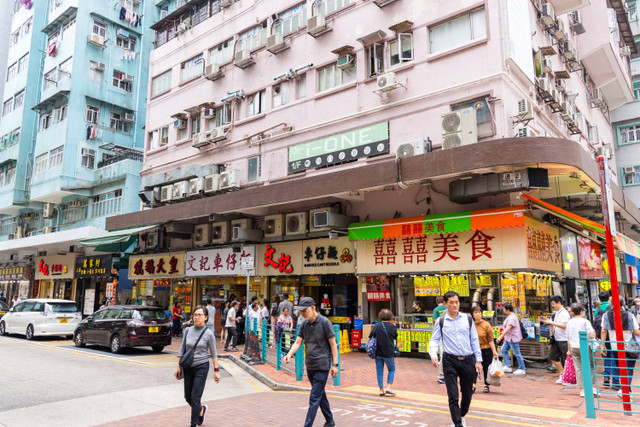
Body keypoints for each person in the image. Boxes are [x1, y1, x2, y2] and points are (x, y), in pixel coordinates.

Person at [428, 291, 483, 427]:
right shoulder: (441, 321)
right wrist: (433, 354)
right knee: (453, 395)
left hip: (468, 359)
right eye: (451, 302)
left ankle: (461, 415)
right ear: (445, 304)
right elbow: (434, 340)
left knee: (467, 393)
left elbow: (474, 340)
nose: (454, 305)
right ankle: (458, 424)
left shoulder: (467, 319)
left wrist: (478, 360)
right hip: (449, 360)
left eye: (456, 302)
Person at [284, 297, 338, 427]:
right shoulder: (304, 324)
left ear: (312, 307)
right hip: (310, 366)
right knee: (320, 394)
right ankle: (330, 421)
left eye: (304, 310)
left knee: (314, 398)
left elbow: (333, 344)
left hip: (322, 366)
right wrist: (289, 354)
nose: (302, 313)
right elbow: (298, 342)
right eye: (300, 311)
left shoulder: (325, 323)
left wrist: (335, 365)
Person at [174, 305, 221, 427]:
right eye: (195, 315)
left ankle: (193, 424)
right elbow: (182, 349)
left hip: (202, 366)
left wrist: (216, 371)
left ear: (205, 317)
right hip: (188, 366)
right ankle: (200, 410)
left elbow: (214, 354)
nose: (197, 317)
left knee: (195, 397)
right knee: (187, 397)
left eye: (200, 315)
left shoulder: (209, 333)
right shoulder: (187, 331)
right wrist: (178, 366)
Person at [600, 295, 640, 399]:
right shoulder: (629, 315)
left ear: (611, 303)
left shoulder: (606, 315)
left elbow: (603, 330)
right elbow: (636, 331)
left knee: (621, 368)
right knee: (629, 369)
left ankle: (626, 390)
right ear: (623, 304)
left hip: (614, 346)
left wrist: (603, 345)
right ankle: (625, 391)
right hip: (629, 346)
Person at [565, 303, 597, 398]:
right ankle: (590, 387)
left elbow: (568, 337)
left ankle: (582, 389)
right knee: (590, 366)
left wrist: (569, 350)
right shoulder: (585, 321)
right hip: (585, 346)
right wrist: (594, 334)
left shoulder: (569, 322)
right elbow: (591, 335)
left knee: (578, 368)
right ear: (582, 311)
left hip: (574, 347)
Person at [369, 309, 398, 396]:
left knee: (379, 370)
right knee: (392, 369)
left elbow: (371, 336)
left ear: (380, 316)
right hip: (389, 352)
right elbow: (395, 337)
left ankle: (381, 390)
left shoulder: (377, 326)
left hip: (378, 352)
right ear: (390, 316)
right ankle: (388, 387)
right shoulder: (392, 326)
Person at [542, 295, 570, 384]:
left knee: (566, 358)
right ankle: (563, 374)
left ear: (558, 303)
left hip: (564, 339)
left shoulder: (564, 313)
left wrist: (551, 322)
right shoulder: (557, 312)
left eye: (553, 304)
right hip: (557, 339)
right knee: (552, 357)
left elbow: (564, 325)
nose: (553, 306)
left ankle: (567, 376)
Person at [472, 306, 498, 393]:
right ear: (473, 314)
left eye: (479, 312)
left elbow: (491, 340)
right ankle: (473, 384)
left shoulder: (486, 325)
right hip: (475, 350)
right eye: (475, 312)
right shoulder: (471, 325)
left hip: (486, 349)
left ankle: (486, 385)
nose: (478, 314)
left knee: (486, 367)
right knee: (473, 368)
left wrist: (494, 352)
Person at [496, 303, 526, 375]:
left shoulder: (512, 317)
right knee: (503, 350)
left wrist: (500, 337)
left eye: (504, 309)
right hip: (508, 338)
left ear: (508, 309)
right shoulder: (510, 316)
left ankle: (522, 368)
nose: (503, 310)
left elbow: (508, 328)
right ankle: (507, 365)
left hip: (512, 338)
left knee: (517, 353)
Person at [593, 291, 614, 387]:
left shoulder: (597, 309)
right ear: (609, 298)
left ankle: (606, 376)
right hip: (611, 334)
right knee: (613, 355)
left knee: (605, 354)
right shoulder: (612, 307)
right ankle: (615, 379)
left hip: (602, 335)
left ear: (600, 299)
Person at [432, 296, 447, 384]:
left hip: (440, 333)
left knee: (442, 354)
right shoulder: (447, 309)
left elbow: (434, 320)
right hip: (448, 334)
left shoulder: (436, 309)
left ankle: (441, 375)